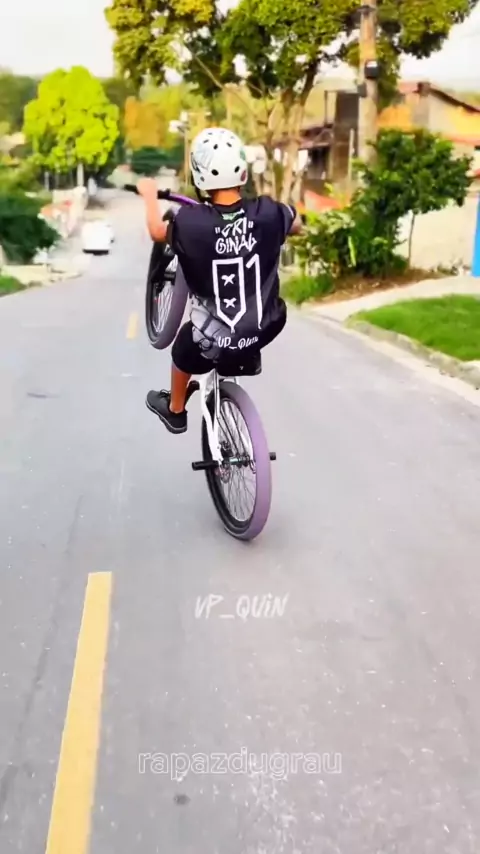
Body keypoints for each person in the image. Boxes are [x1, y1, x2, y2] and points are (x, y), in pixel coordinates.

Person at [137, 127, 302, 434]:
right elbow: (297, 223)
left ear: (199, 178)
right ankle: (246, 356)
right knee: (246, 320)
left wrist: (149, 195)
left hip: (213, 340)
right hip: (268, 326)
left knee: (184, 346)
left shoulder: (190, 224)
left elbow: (157, 232)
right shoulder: (268, 213)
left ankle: (175, 410)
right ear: (243, 173)